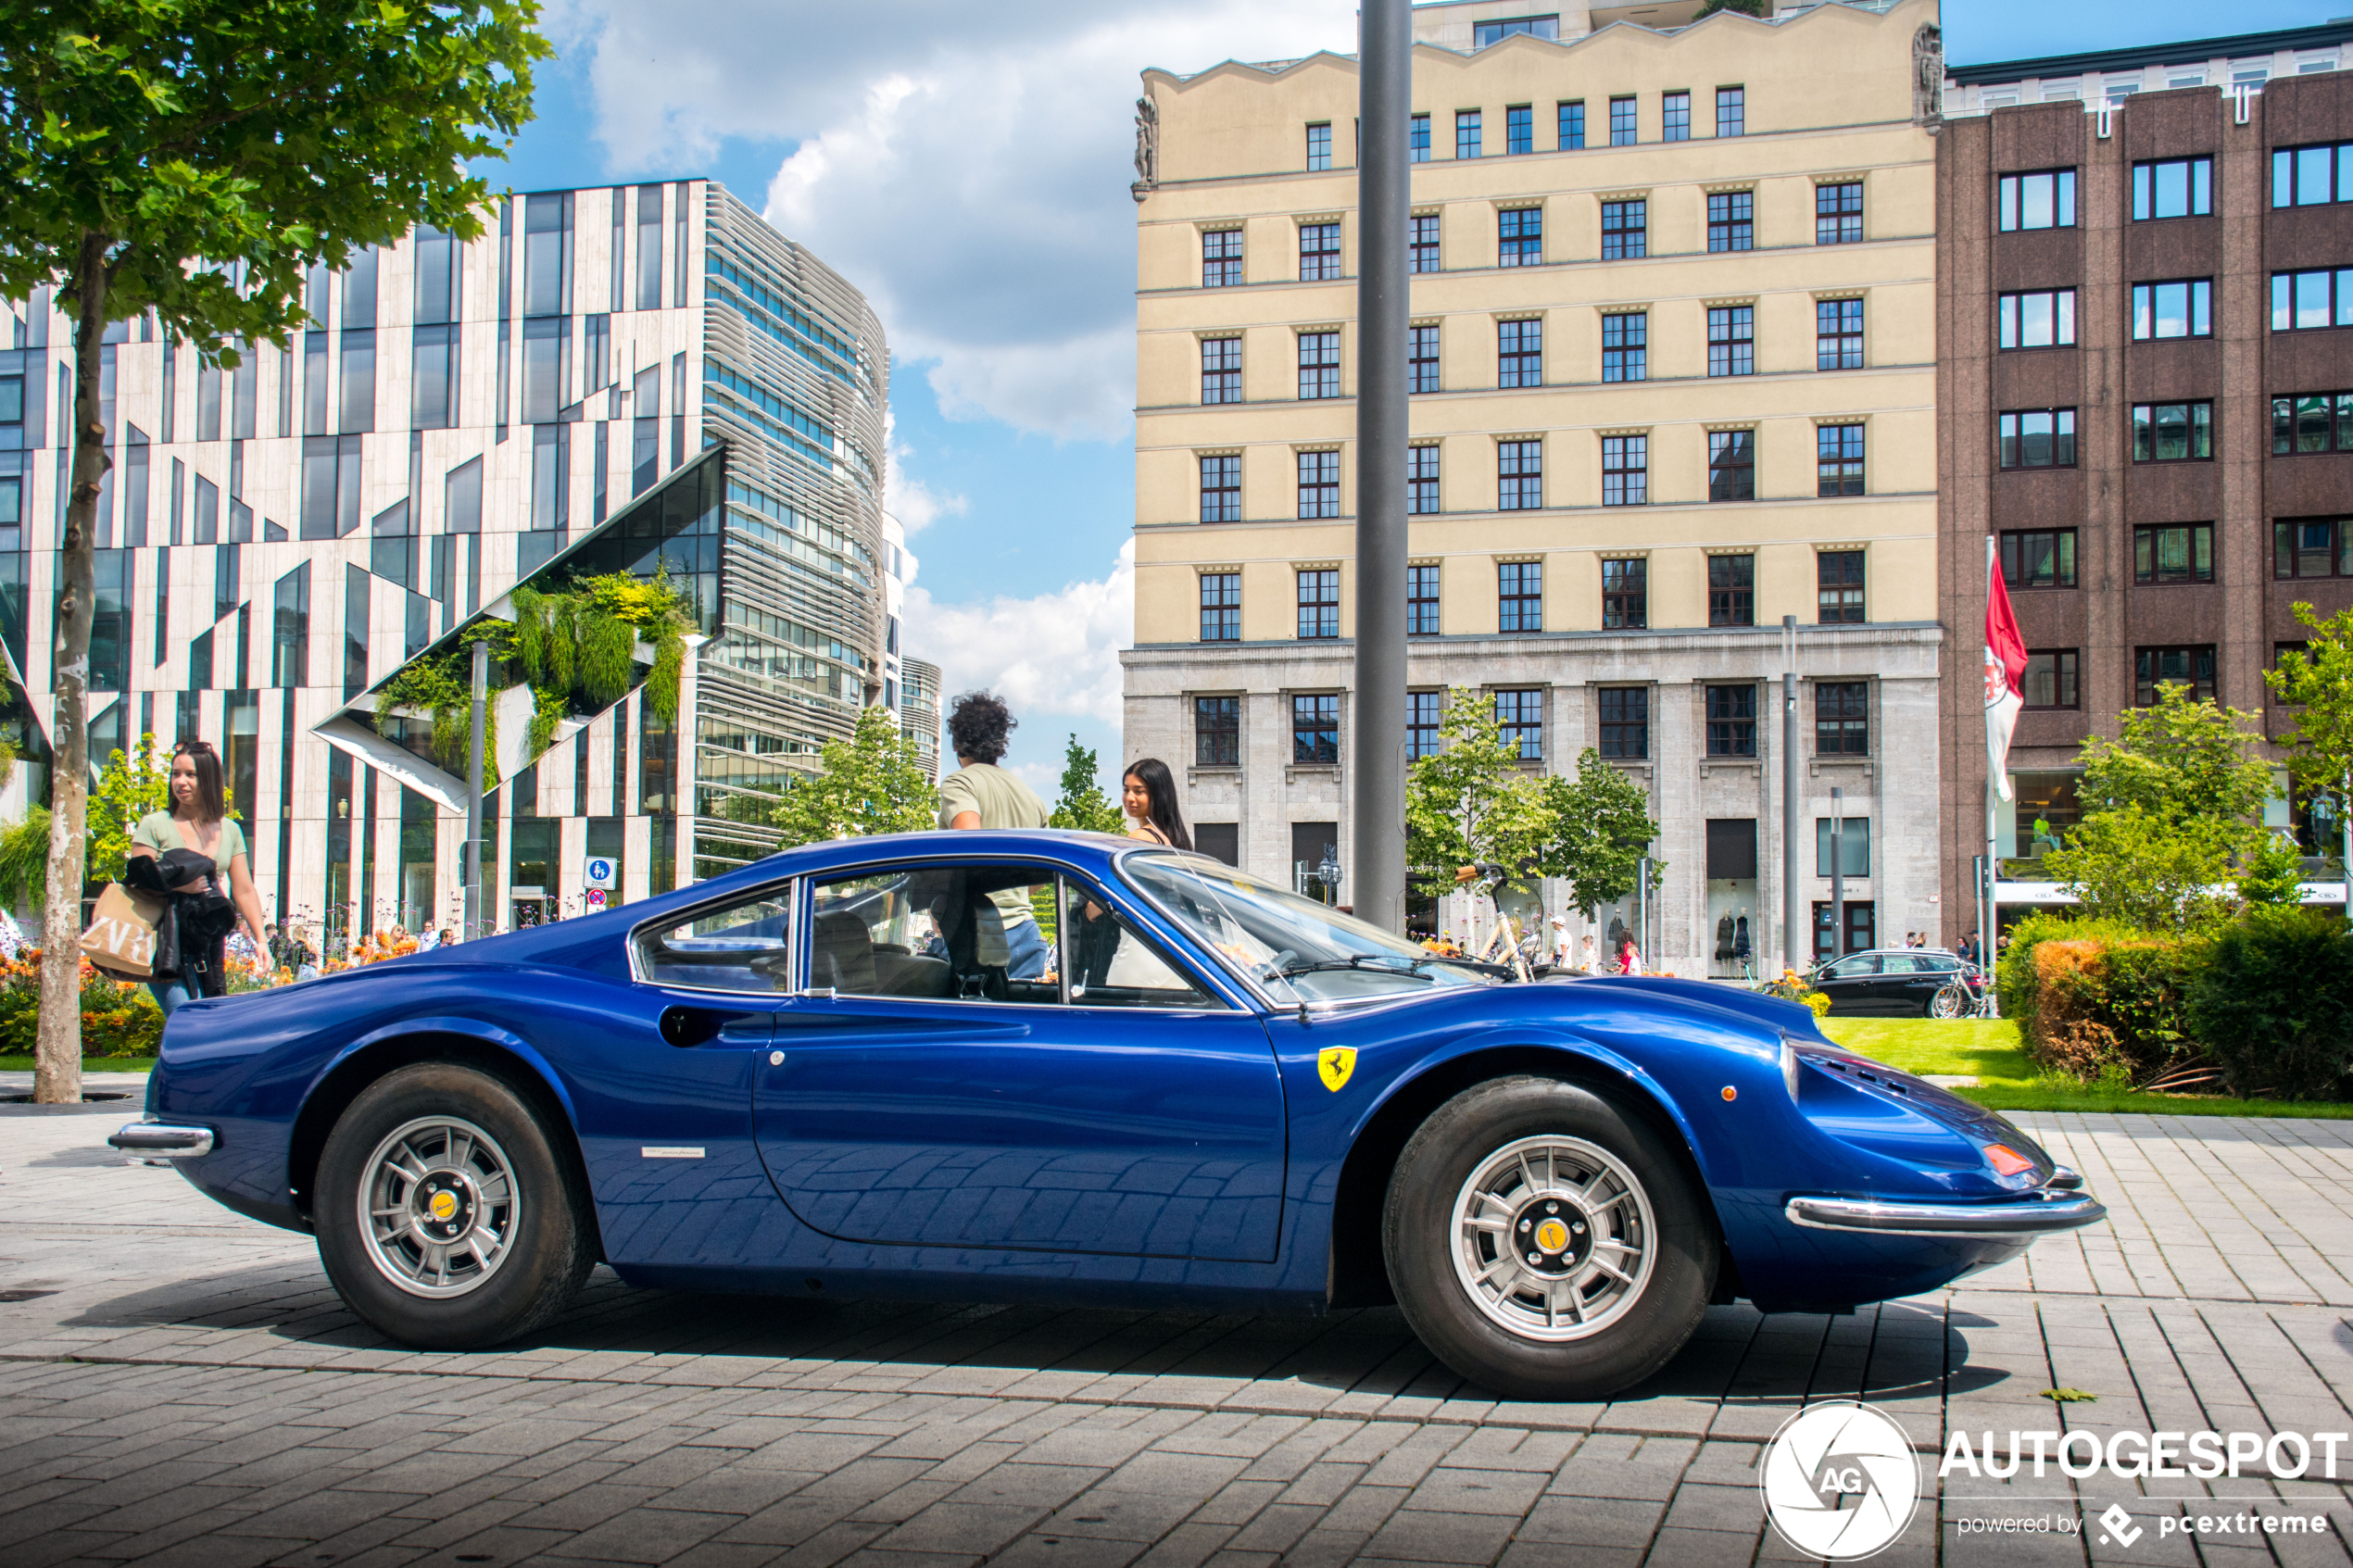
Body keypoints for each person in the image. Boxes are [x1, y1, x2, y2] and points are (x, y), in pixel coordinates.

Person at [130, 739, 269, 1016]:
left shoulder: (229, 830)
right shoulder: (155, 824)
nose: (180, 782)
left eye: (190, 775)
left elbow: (244, 891)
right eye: (175, 773)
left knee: (207, 1024)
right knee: (186, 1020)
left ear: (208, 779)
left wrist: (261, 940)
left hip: (208, 943)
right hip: (162, 944)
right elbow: (136, 882)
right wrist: (181, 885)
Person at [937, 691, 1052, 980]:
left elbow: (969, 848)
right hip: (1026, 934)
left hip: (975, 935)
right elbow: (1040, 876)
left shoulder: (960, 783)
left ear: (957, 743)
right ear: (1000, 743)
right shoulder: (1030, 797)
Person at [1120, 759, 1191, 849]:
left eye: (1139, 791)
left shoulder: (1140, 837)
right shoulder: (1173, 838)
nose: (1129, 798)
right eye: (1126, 790)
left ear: (1159, 794)